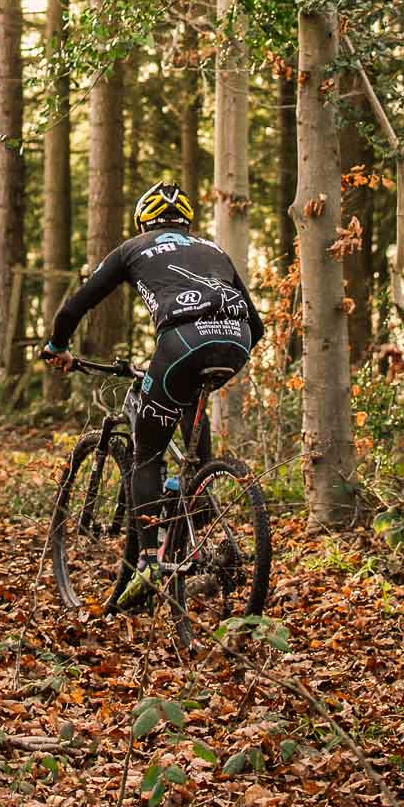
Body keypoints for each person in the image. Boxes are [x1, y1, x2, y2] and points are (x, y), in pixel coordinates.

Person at [41, 178, 265, 608]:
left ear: (144, 222)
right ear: (185, 222)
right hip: (234, 340)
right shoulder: (214, 250)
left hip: (181, 342)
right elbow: (256, 327)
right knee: (184, 415)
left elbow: (77, 304)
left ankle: (148, 563)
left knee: (147, 451)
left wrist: (57, 346)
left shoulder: (134, 248)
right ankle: (197, 509)